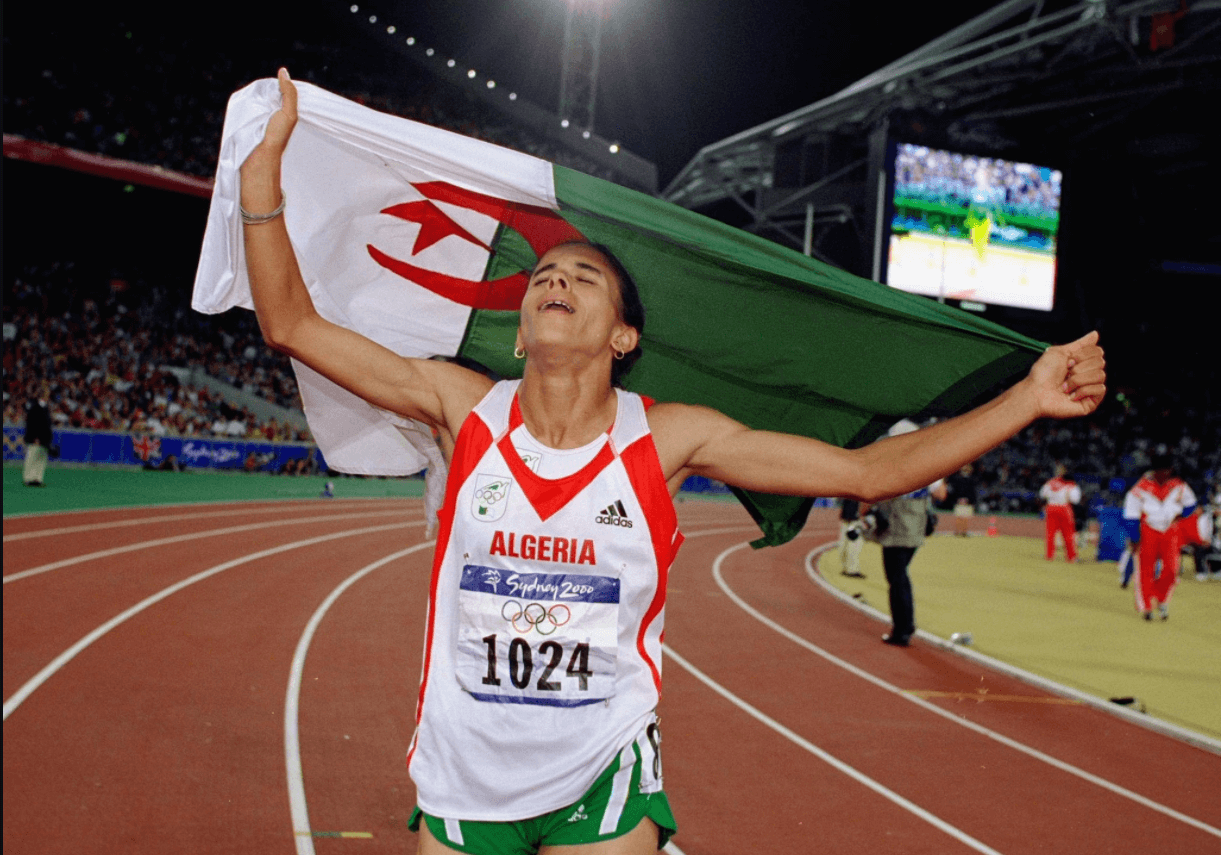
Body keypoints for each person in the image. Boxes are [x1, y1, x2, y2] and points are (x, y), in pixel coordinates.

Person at [239, 69, 1107, 855]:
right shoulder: (463, 408)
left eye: (581, 275)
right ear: (519, 323)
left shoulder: (668, 438)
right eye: (543, 274)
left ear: (623, 336)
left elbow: (867, 476)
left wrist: (1025, 397)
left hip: (602, 767)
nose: (554, 281)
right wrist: (261, 180)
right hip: (467, 765)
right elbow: (292, 326)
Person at [868, 420, 949, 647]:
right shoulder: (929, 460)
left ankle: (902, 628)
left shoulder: (892, 460)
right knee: (900, 573)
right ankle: (905, 624)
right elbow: (941, 493)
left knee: (896, 576)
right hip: (918, 523)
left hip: (896, 522)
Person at [1122, 452, 1197, 620]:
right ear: (1155, 470)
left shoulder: (1179, 486)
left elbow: (1191, 504)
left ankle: (1161, 600)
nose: (1164, 474)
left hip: (1170, 530)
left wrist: (1181, 515)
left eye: (1167, 470)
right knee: (1145, 569)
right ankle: (1147, 606)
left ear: (1170, 470)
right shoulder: (1140, 488)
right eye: (1160, 471)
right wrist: (1134, 537)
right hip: (1148, 530)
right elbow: (1131, 514)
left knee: (1171, 569)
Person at [1039, 464, 1082, 562]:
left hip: (1051, 507)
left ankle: (1049, 555)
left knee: (1050, 533)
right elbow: (1075, 499)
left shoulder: (1050, 482)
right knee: (1068, 534)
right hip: (1064, 508)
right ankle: (1071, 557)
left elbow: (1042, 494)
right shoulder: (1070, 484)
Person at [22, 390, 53, 487]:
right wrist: (35, 437)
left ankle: (37, 478)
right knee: (32, 457)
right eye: (47, 395)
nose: (48, 397)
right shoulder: (35, 406)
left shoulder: (45, 407)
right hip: (36, 437)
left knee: (41, 458)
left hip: (44, 437)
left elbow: (46, 423)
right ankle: (28, 478)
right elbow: (32, 423)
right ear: (43, 396)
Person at [838, 499, 865, 578]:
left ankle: (847, 568)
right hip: (853, 519)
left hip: (848, 518)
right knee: (854, 545)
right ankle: (852, 570)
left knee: (845, 544)